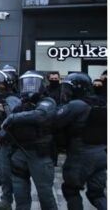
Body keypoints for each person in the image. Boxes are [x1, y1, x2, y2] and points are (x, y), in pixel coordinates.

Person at [0, 71, 58, 210]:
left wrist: (13, 118)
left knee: (45, 194)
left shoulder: (47, 102)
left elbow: (40, 115)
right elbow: (8, 126)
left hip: (40, 154)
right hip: (20, 153)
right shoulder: (21, 104)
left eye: (33, 83)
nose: (29, 87)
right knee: (20, 194)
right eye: (26, 84)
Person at [54, 72, 106, 210]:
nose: (66, 92)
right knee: (97, 193)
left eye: (69, 88)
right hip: (102, 154)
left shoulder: (77, 104)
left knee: (71, 190)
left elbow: (54, 121)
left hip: (81, 154)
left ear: (78, 88)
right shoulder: (101, 102)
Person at [0, 70, 22, 210]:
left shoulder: (12, 99)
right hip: (5, 142)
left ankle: (18, 203)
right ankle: (5, 201)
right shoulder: (1, 97)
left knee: (15, 176)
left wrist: (0, 135)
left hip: (13, 143)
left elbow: (14, 122)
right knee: (4, 173)